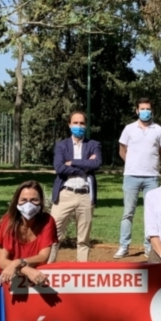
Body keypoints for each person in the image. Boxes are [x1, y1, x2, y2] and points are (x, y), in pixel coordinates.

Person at [115, 97, 161, 258]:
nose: (145, 111)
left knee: (151, 214)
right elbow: (122, 150)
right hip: (131, 176)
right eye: (142, 108)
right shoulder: (129, 129)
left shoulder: (159, 130)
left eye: (148, 109)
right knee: (128, 213)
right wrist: (132, 163)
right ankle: (124, 246)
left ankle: (148, 246)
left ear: (152, 111)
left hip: (151, 177)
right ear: (137, 110)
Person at [49, 111, 102, 263]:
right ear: (69, 124)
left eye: (82, 123)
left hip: (85, 195)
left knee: (83, 238)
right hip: (65, 194)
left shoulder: (93, 145)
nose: (78, 126)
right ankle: (48, 269)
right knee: (53, 235)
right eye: (75, 123)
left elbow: (96, 164)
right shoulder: (61, 145)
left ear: (86, 125)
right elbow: (59, 168)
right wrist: (84, 167)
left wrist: (72, 162)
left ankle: (82, 271)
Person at [0, 180, 58, 286]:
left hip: (28, 279)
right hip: (0, 275)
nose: (28, 204)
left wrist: (18, 262)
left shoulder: (48, 221)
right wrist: (25, 269)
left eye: (34, 200)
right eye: (23, 200)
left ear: (41, 201)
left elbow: (43, 256)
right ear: (16, 202)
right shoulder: (8, 221)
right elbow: (2, 261)